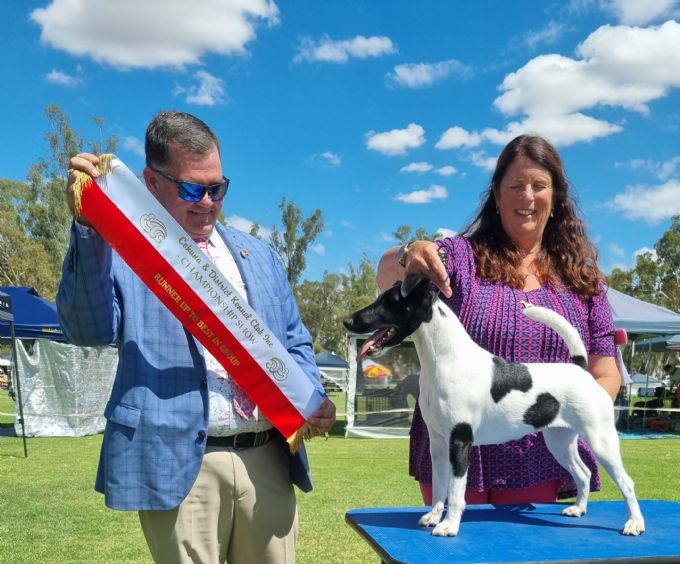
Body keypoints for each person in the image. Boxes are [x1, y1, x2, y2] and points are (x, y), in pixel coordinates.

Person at [57, 110, 336, 563]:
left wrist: (310, 395)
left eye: (217, 188)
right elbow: (88, 330)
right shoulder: (121, 249)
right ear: (151, 182)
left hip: (268, 457)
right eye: (192, 189)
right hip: (177, 461)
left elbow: (295, 340)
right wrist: (90, 229)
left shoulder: (261, 254)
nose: (207, 202)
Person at [376, 134, 621, 506]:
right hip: (454, 447)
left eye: (539, 185)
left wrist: (582, 411)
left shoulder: (586, 284)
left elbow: (605, 371)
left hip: (538, 459)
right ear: (496, 194)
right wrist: (410, 252)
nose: (527, 197)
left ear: (556, 196)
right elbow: (386, 276)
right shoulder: (460, 257)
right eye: (515, 186)